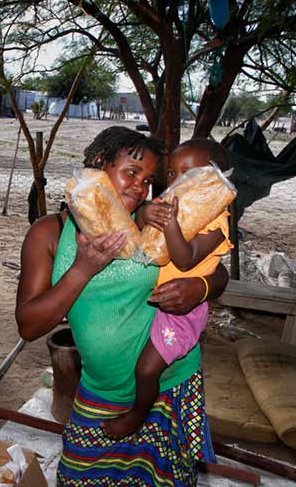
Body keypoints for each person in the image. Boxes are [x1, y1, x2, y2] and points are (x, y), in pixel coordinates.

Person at [15, 126, 228, 486]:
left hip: (168, 382)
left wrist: (201, 286)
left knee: (162, 479)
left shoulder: (147, 219)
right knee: (81, 476)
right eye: (132, 172)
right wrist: (82, 269)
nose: (139, 187)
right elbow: (29, 326)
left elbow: (215, 268)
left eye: (148, 180)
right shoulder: (50, 233)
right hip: (104, 391)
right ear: (99, 164)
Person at [101, 138, 234, 440]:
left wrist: (171, 223)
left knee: (147, 370)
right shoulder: (176, 207)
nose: (177, 181)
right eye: (172, 174)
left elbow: (185, 260)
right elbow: (142, 226)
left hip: (181, 313)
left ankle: (137, 415)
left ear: (212, 180)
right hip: (156, 303)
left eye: (189, 174)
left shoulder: (217, 221)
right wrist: (147, 212)